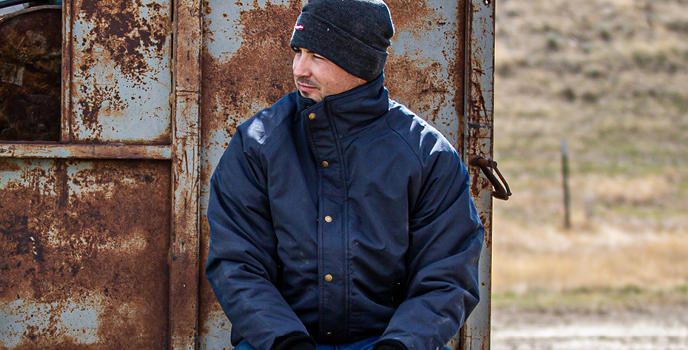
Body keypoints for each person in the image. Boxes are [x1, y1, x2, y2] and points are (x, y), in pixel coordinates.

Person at [204, 1, 486, 350]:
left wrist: (400, 345)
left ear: (360, 61)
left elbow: (448, 275)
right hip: (280, 342)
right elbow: (237, 262)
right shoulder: (258, 143)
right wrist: (287, 343)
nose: (300, 69)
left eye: (318, 56)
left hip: (389, 343)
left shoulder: (428, 155)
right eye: (299, 51)